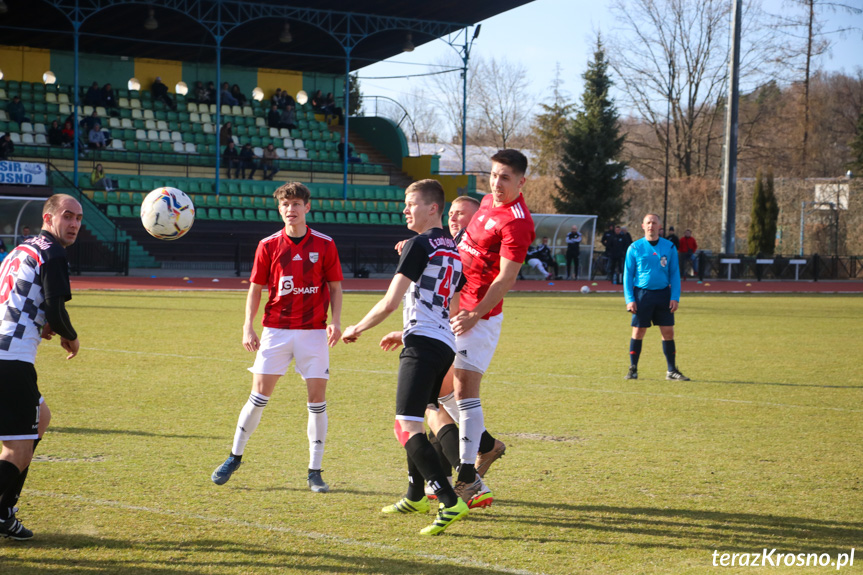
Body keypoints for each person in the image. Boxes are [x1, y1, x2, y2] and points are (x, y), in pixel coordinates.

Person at [342, 179, 469, 535]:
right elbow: (449, 305)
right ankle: (414, 494)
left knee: (405, 423)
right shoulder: (452, 249)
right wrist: (408, 331)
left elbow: (390, 301)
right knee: (419, 413)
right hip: (443, 343)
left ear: (432, 208)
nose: (404, 210)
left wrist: (357, 327)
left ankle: (449, 500)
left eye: (410, 203)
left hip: (425, 344)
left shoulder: (419, 243)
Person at [211, 182, 342, 492]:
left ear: (307, 207)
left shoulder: (325, 244)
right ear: (279, 208)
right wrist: (248, 326)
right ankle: (234, 456)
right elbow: (255, 288)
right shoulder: (268, 245)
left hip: (312, 333)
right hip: (276, 331)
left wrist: (335, 321)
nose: (290, 209)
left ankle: (314, 470)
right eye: (285, 204)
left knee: (317, 401)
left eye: (296, 203)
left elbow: (335, 287)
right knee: (258, 396)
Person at [442, 149, 535, 505]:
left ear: (521, 181)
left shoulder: (518, 222)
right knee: (440, 389)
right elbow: (466, 249)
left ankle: (467, 479)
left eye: (505, 177)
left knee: (465, 393)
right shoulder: (484, 202)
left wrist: (476, 313)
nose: (497, 183)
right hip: (455, 308)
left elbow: (506, 278)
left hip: (478, 318)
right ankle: (486, 446)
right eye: (494, 175)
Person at [0, 194, 83, 540]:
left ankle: (5, 511)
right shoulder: (52, 251)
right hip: (11, 361)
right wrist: (70, 336)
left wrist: (40, 322)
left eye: (79, 218)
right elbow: (54, 306)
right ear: (49, 218)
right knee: (17, 450)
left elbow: (19, 299)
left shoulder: (21, 250)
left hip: (5, 353)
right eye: (68, 216)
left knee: (41, 417)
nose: (75, 224)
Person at [623, 213, 689, 382]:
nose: (651, 225)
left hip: (663, 295)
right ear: (643, 226)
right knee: (638, 331)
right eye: (648, 223)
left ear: (660, 226)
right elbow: (627, 276)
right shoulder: (635, 248)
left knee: (668, 332)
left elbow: (674, 273)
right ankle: (633, 368)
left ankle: (671, 370)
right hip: (642, 295)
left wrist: (675, 297)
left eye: (654, 222)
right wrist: (629, 299)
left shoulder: (670, 247)